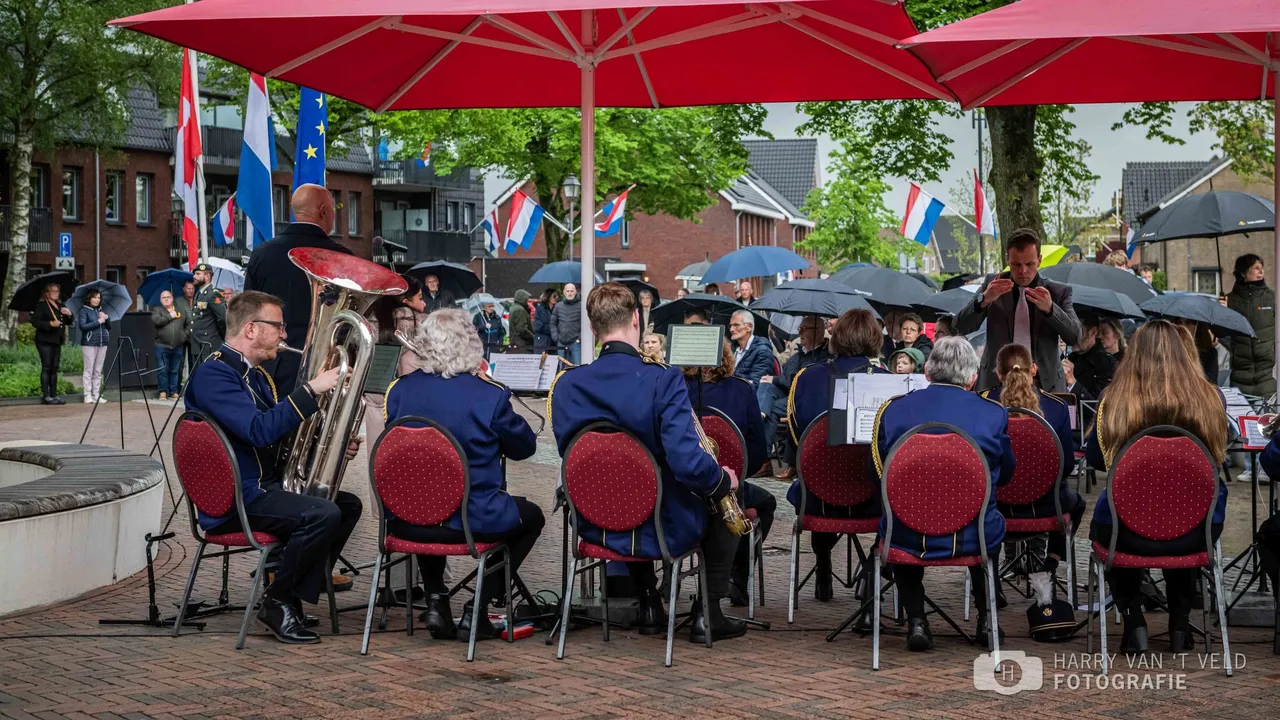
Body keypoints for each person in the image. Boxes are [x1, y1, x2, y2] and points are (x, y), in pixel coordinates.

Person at [549, 282, 744, 643]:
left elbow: (571, 454)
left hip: (594, 524)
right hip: (660, 527)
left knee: (630, 493)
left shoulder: (567, 384)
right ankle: (708, 613)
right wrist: (722, 481)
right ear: (636, 321)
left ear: (593, 329)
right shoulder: (662, 378)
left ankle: (649, 600)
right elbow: (686, 463)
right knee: (720, 497)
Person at [184, 291, 363, 645]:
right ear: (251, 329)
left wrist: (331, 441)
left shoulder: (254, 375)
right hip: (237, 497)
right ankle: (279, 601)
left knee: (346, 506)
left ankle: (289, 588)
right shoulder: (215, 375)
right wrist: (312, 389)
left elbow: (274, 436)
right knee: (321, 514)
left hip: (261, 488)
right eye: (277, 326)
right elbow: (258, 429)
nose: (284, 334)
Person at [384, 308, 544, 641]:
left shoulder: (399, 391)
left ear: (424, 345)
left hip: (407, 519)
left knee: (425, 499)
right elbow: (524, 447)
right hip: (470, 521)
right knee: (531, 517)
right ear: (470, 345)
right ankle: (478, 607)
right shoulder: (487, 395)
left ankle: (436, 602)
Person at [1084, 320, 1227, 653]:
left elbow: (1096, 458)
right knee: (1186, 507)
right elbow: (1219, 459)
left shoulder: (1112, 399)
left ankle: (1134, 621)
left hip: (1125, 530)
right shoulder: (1211, 398)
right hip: (1195, 530)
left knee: (1113, 519)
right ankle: (1179, 624)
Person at [873, 336, 1013, 651]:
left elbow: (879, 474)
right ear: (973, 378)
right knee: (988, 518)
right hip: (972, 533)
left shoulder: (895, 411)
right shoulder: (993, 414)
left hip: (907, 533)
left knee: (899, 513)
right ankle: (987, 619)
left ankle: (917, 620)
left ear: (928, 373)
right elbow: (1005, 475)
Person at [786, 309, 889, 601]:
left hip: (817, 497)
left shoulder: (805, 378)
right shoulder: (889, 381)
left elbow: (797, 440)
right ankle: (874, 566)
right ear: (874, 339)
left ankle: (822, 562)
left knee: (822, 471)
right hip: (874, 498)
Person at [981, 343, 1085, 589]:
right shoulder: (1057, 407)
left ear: (998, 373)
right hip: (1047, 507)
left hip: (997, 506)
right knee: (1077, 503)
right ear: (1034, 369)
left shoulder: (984, 405)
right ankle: (1050, 564)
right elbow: (1067, 465)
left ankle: (991, 575)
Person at [683, 340, 774, 607]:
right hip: (731, 490)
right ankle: (738, 578)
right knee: (767, 503)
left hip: (684, 489)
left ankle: (667, 584)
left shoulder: (674, 391)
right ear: (726, 357)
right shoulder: (743, 390)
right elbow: (757, 452)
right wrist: (738, 471)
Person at [244, 184, 352, 393]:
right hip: (325, 368)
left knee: (271, 422)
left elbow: (248, 311)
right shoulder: (344, 258)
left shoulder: (262, 253)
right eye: (332, 211)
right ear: (323, 212)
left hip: (270, 365)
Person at [953, 229, 1082, 392]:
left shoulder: (1057, 291)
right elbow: (959, 327)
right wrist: (983, 300)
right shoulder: (993, 284)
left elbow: (1076, 337)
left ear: (1040, 260)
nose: (1023, 271)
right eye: (1016, 264)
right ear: (1008, 259)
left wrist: (1051, 310)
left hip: (1044, 384)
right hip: (996, 382)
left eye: (1029, 264)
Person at [758, 316, 829, 481]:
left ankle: (774, 461)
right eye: (799, 329)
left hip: (813, 399)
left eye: (804, 329)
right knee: (768, 390)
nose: (800, 333)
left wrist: (775, 379)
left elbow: (800, 380)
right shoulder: (798, 354)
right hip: (791, 396)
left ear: (818, 332)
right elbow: (788, 378)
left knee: (779, 406)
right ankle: (766, 457)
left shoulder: (824, 355)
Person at [364, 275, 426, 444]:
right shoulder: (424, 327)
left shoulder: (368, 327)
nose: (424, 303)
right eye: (420, 298)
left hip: (375, 408)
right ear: (405, 301)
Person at [1227, 253, 1275, 399]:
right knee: (1242, 420)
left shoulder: (1273, 297)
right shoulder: (1230, 299)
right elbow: (1220, 333)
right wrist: (1222, 310)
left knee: (1267, 420)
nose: (1261, 271)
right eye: (1256, 268)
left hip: (1267, 375)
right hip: (1240, 375)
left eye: (1262, 268)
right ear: (1243, 273)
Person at [32, 283, 72, 405]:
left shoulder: (60, 305)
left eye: (57, 291)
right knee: (47, 366)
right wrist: (50, 324)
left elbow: (67, 322)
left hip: (56, 340)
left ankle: (54, 395)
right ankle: (46, 395)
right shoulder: (42, 306)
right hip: (44, 340)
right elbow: (35, 322)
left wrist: (69, 315)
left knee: (55, 367)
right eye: (53, 291)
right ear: (47, 293)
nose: (56, 293)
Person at [1065, 316, 1116, 402]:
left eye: (1078, 332)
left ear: (1093, 332)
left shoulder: (1106, 363)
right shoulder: (1071, 357)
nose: (1072, 337)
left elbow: (1099, 406)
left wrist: (1073, 383)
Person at [76, 288, 111, 404]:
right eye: (94, 297)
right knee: (89, 369)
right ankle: (87, 394)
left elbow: (109, 327)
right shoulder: (84, 310)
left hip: (102, 343)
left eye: (99, 298)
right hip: (89, 343)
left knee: (98, 370)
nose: (97, 300)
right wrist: (98, 321)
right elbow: (83, 326)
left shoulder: (101, 310)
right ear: (89, 298)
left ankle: (96, 394)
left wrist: (106, 318)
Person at [150, 290, 187, 400]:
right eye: (163, 298)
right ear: (160, 300)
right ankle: (162, 391)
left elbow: (188, 324)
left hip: (178, 345)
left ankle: (173, 391)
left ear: (172, 298)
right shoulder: (157, 310)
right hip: (161, 345)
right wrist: (170, 316)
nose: (166, 299)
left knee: (175, 370)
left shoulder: (180, 310)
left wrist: (184, 336)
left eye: (168, 297)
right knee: (162, 369)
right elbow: (157, 321)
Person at [189, 263, 227, 366]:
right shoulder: (199, 293)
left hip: (209, 344)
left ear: (207, 276)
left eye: (198, 274)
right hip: (198, 344)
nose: (194, 276)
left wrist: (218, 337)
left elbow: (223, 318)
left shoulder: (213, 294)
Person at [729, 310, 772, 387]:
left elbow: (756, 383)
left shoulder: (762, 350)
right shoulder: (731, 348)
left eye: (736, 325)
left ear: (749, 327)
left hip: (746, 395)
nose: (731, 329)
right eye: (731, 325)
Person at [551, 282, 582, 364]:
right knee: (562, 368)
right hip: (561, 342)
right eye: (568, 291)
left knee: (577, 367)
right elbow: (553, 323)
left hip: (575, 342)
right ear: (564, 292)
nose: (570, 293)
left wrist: (580, 338)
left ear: (575, 292)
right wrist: (556, 337)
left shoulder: (581, 306)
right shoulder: (558, 306)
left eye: (572, 291)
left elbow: (586, 323)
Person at [175, 280, 198, 374]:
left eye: (192, 288)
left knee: (194, 363)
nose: (191, 290)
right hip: (182, 336)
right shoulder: (178, 301)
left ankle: (191, 386)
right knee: (179, 363)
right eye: (189, 288)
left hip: (194, 336)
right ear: (184, 289)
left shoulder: (198, 300)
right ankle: (178, 387)